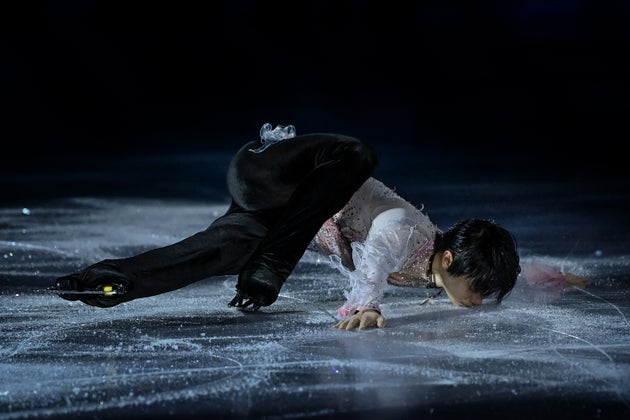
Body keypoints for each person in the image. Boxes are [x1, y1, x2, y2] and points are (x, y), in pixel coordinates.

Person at [52, 123, 587, 331]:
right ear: (451, 260)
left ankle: (105, 283)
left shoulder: (434, 270)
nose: (481, 299)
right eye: (481, 288)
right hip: (273, 171)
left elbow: (502, 272)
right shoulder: (408, 230)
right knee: (361, 155)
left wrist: (556, 278)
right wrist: (365, 304)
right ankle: (271, 263)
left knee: (207, 257)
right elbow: (375, 255)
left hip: (278, 216)